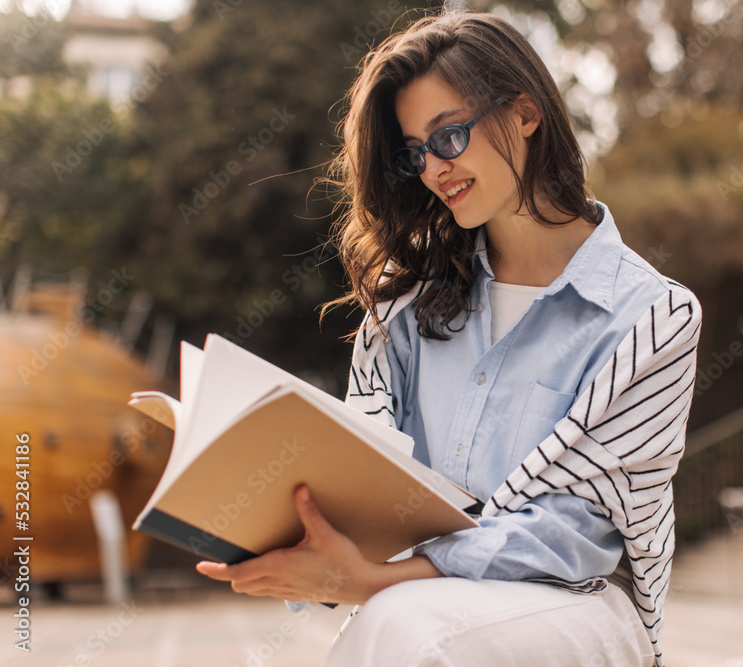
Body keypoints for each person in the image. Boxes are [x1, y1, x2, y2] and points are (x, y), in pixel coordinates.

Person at [196, 9, 701, 667]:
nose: (433, 168)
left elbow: (570, 537)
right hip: (418, 599)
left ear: (524, 113)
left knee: (404, 626)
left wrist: (372, 580)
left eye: (449, 135)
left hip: (580, 602)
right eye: (415, 151)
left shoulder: (653, 317)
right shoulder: (403, 307)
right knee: (401, 624)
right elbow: (361, 478)